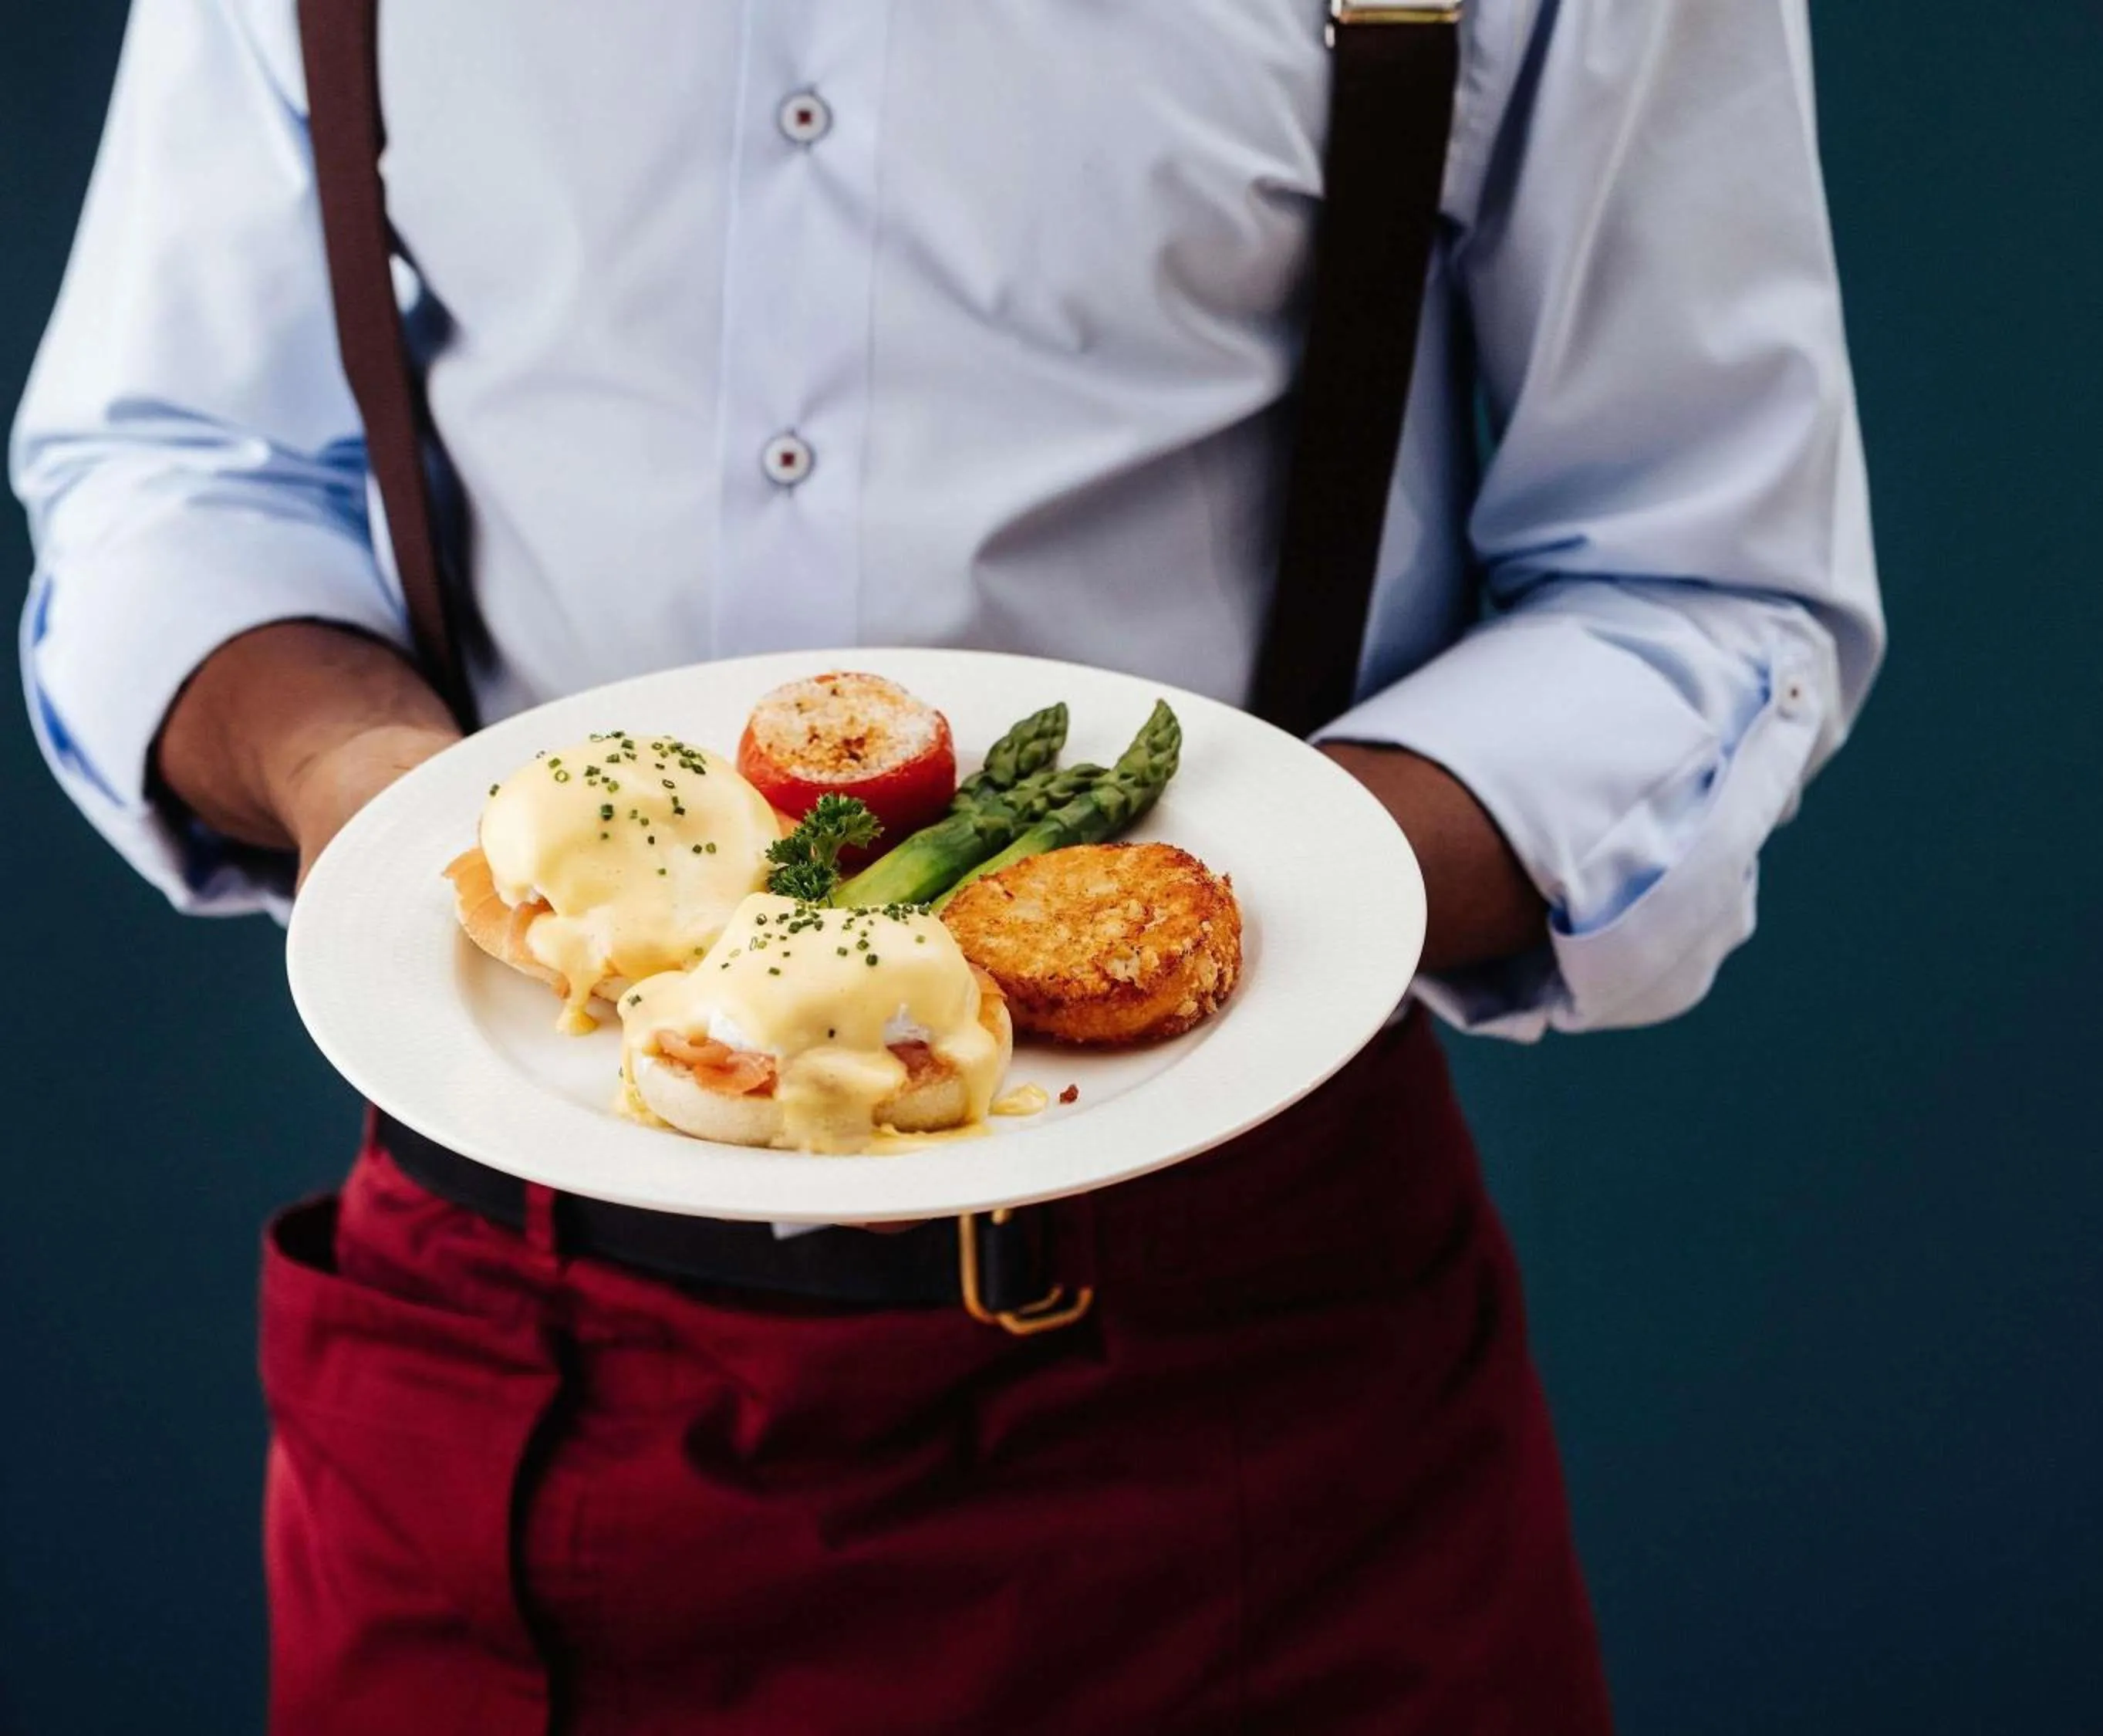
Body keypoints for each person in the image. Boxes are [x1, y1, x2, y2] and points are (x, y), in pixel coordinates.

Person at [14, 0, 1882, 1729]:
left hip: (1248, 1385)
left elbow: (1695, 580)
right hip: (505, 1354)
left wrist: (1219, 894)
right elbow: (176, 468)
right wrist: (370, 784)